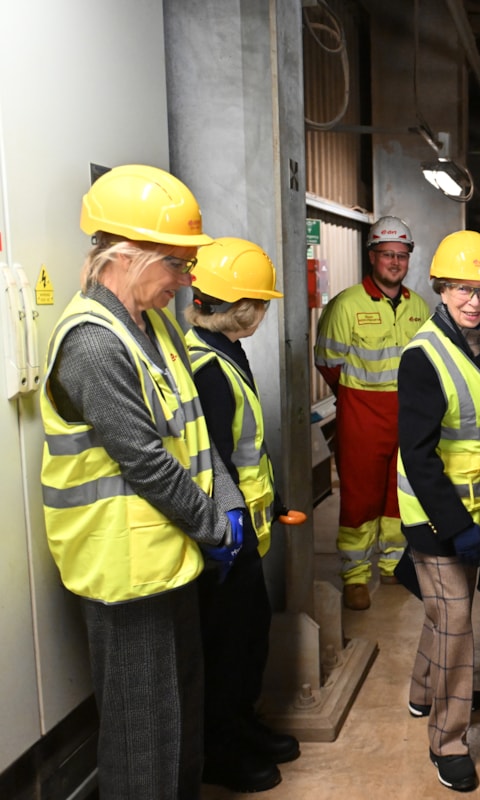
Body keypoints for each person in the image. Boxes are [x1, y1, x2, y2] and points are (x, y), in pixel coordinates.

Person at [39, 164, 246, 799]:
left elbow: (195, 431)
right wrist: (216, 527)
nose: (187, 281)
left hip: (169, 560)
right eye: (177, 266)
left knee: (179, 718)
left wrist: (229, 503)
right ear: (127, 258)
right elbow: (147, 461)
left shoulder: (154, 325)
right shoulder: (94, 347)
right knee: (142, 740)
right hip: (126, 578)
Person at [185, 237, 303, 792]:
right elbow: (213, 460)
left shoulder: (226, 351)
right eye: (260, 303)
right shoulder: (208, 367)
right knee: (228, 647)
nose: (262, 313)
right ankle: (220, 748)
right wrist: (227, 528)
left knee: (249, 639)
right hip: (224, 544)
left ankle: (242, 725)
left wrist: (272, 502)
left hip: (247, 535)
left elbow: (245, 447)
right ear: (241, 307)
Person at [396, 230, 480, 793]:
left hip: (475, 511)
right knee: (457, 620)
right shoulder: (423, 357)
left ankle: (425, 692)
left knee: (444, 613)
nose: (474, 300)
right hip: (437, 517)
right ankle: (449, 740)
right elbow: (417, 457)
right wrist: (458, 527)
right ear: (440, 288)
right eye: (463, 288)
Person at [314, 216, 430, 610]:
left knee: (400, 496)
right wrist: (356, 399)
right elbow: (328, 362)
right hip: (362, 414)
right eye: (387, 255)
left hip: (408, 416)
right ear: (372, 257)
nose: (395, 262)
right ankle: (355, 576)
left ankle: (393, 563)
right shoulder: (346, 305)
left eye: (401, 255)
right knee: (360, 498)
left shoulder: (420, 308)